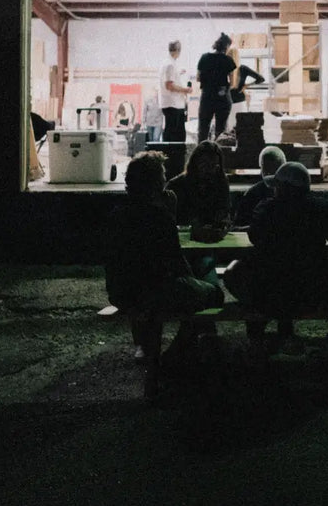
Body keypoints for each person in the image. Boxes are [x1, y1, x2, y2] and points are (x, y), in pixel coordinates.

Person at [105, 151, 224, 399]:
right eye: (161, 176)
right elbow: (175, 262)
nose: (165, 180)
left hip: (121, 291)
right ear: (154, 183)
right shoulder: (158, 216)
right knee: (215, 296)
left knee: (167, 301)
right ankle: (175, 355)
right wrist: (195, 283)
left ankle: (165, 360)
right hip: (156, 290)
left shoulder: (117, 214)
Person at [225, 162, 328, 359]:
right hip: (314, 294)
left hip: (268, 293)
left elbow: (255, 239)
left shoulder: (265, 209)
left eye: (276, 186)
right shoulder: (324, 209)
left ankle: (257, 339)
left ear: (283, 187)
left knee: (240, 274)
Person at [166, 141, 231, 285]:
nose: (210, 171)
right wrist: (193, 227)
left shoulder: (220, 181)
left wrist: (221, 224)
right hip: (182, 246)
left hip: (209, 242)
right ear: (195, 164)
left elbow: (225, 209)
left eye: (214, 166)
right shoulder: (177, 185)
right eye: (205, 165)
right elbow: (168, 220)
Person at [196, 33, 237, 142]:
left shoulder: (204, 58)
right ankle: (218, 155)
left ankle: (201, 155)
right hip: (222, 97)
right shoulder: (228, 60)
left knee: (203, 129)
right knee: (220, 131)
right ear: (227, 46)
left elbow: (198, 78)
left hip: (207, 97)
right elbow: (232, 83)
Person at [233, 145, 287, 227]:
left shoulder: (253, 193)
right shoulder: (293, 192)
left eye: (271, 168)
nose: (270, 173)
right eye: (267, 169)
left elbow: (240, 224)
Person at [159, 40, 190, 142]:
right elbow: (169, 85)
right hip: (173, 104)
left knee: (174, 131)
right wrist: (185, 90)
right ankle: (173, 156)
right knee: (175, 134)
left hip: (172, 103)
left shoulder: (167, 63)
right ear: (178, 50)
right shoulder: (170, 65)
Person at [228, 45, 265, 122]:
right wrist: (246, 85)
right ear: (238, 57)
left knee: (229, 129)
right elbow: (261, 79)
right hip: (240, 101)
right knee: (241, 127)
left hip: (227, 102)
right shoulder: (243, 69)